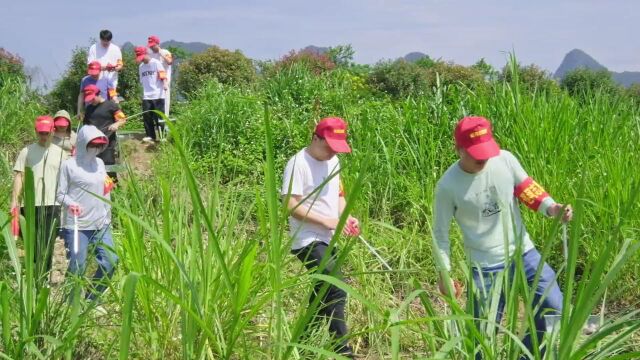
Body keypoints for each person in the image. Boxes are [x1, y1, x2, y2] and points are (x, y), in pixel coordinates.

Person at [431, 116, 573, 358]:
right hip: (484, 268)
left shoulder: (504, 159)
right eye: (476, 153)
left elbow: (526, 188)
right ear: (459, 149)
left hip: (524, 252)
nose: (484, 158)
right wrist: (444, 273)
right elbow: (440, 234)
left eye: (487, 150)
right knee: (481, 334)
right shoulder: (448, 186)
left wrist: (551, 208)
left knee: (554, 307)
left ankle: (528, 355)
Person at [281, 117, 360, 358]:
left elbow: (338, 196)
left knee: (322, 293)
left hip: (328, 238)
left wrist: (345, 217)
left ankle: (302, 347)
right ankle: (343, 352)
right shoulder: (298, 163)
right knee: (337, 286)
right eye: (328, 147)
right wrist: (326, 221)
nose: (331, 153)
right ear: (315, 138)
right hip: (306, 239)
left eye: (336, 148)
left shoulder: (333, 161)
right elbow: (290, 205)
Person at [56, 125, 118, 301]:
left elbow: (106, 188)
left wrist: (108, 212)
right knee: (78, 267)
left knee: (110, 260)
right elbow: (60, 194)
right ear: (83, 144)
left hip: (101, 223)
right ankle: (72, 304)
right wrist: (71, 203)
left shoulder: (99, 163)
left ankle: (93, 297)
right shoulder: (68, 166)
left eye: (99, 146)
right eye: (93, 145)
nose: (96, 149)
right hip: (77, 225)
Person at [10, 116, 66, 283]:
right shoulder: (26, 151)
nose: (43, 136)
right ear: (36, 132)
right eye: (40, 133)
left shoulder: (62, 154)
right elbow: (20, 176)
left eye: (46, 133)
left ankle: (41, 279)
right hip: (31, 205)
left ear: (53, 131)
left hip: (53, 204)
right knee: (32, 243)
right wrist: (14, 201)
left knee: (47, 244)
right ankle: (38, 271)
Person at [82, 84, 127, 181]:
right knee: (94, 170)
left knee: (109, 169)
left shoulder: (111, 105)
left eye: (92, 98)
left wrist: (116, 125)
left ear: (98, 94)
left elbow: (122, 119)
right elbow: (85, 125)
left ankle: (113, 190)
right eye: (89, 99)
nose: (91, 100)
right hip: (92, 145)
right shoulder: (89, 109)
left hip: (107, 143)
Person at [135, 46, 168, 143]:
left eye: (142, 56)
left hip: (158, 94)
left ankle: (163, 136)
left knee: (159, 117)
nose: (142, 59)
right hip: (146, 95)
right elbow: (142, 81)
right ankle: (150, 136)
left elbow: (163, 74)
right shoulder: (141, 67)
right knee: (147, 117)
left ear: (146, 53)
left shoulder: (156, 63)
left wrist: (165, 84)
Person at [147, 36, 173, 116]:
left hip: (164, 83)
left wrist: (161, 53)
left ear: (158, 44)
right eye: (150, 45)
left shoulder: (165, 52)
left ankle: (165, 123)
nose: (151, 47)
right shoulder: (150, 55)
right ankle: (157, 124)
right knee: (155, 104)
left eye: (153, 45)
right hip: (154, 84)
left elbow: (170, 62)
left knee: (164, 103)